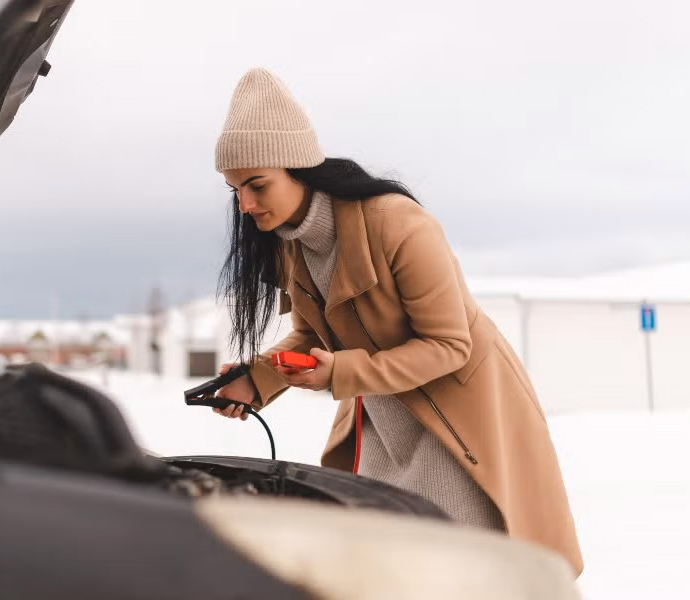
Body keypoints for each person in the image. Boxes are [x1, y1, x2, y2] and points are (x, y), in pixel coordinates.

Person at [210, 67, 583, 576]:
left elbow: (449, 344)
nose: (246, 205)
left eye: (257, 185)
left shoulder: (397, 223)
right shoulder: (290, 245)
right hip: (383, 425)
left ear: (298, 168)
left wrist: (339, 372)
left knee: (452, 571)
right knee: (391, 568)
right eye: (235, 190)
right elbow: (313, 336)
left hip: (457, 422)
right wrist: (257, 380)